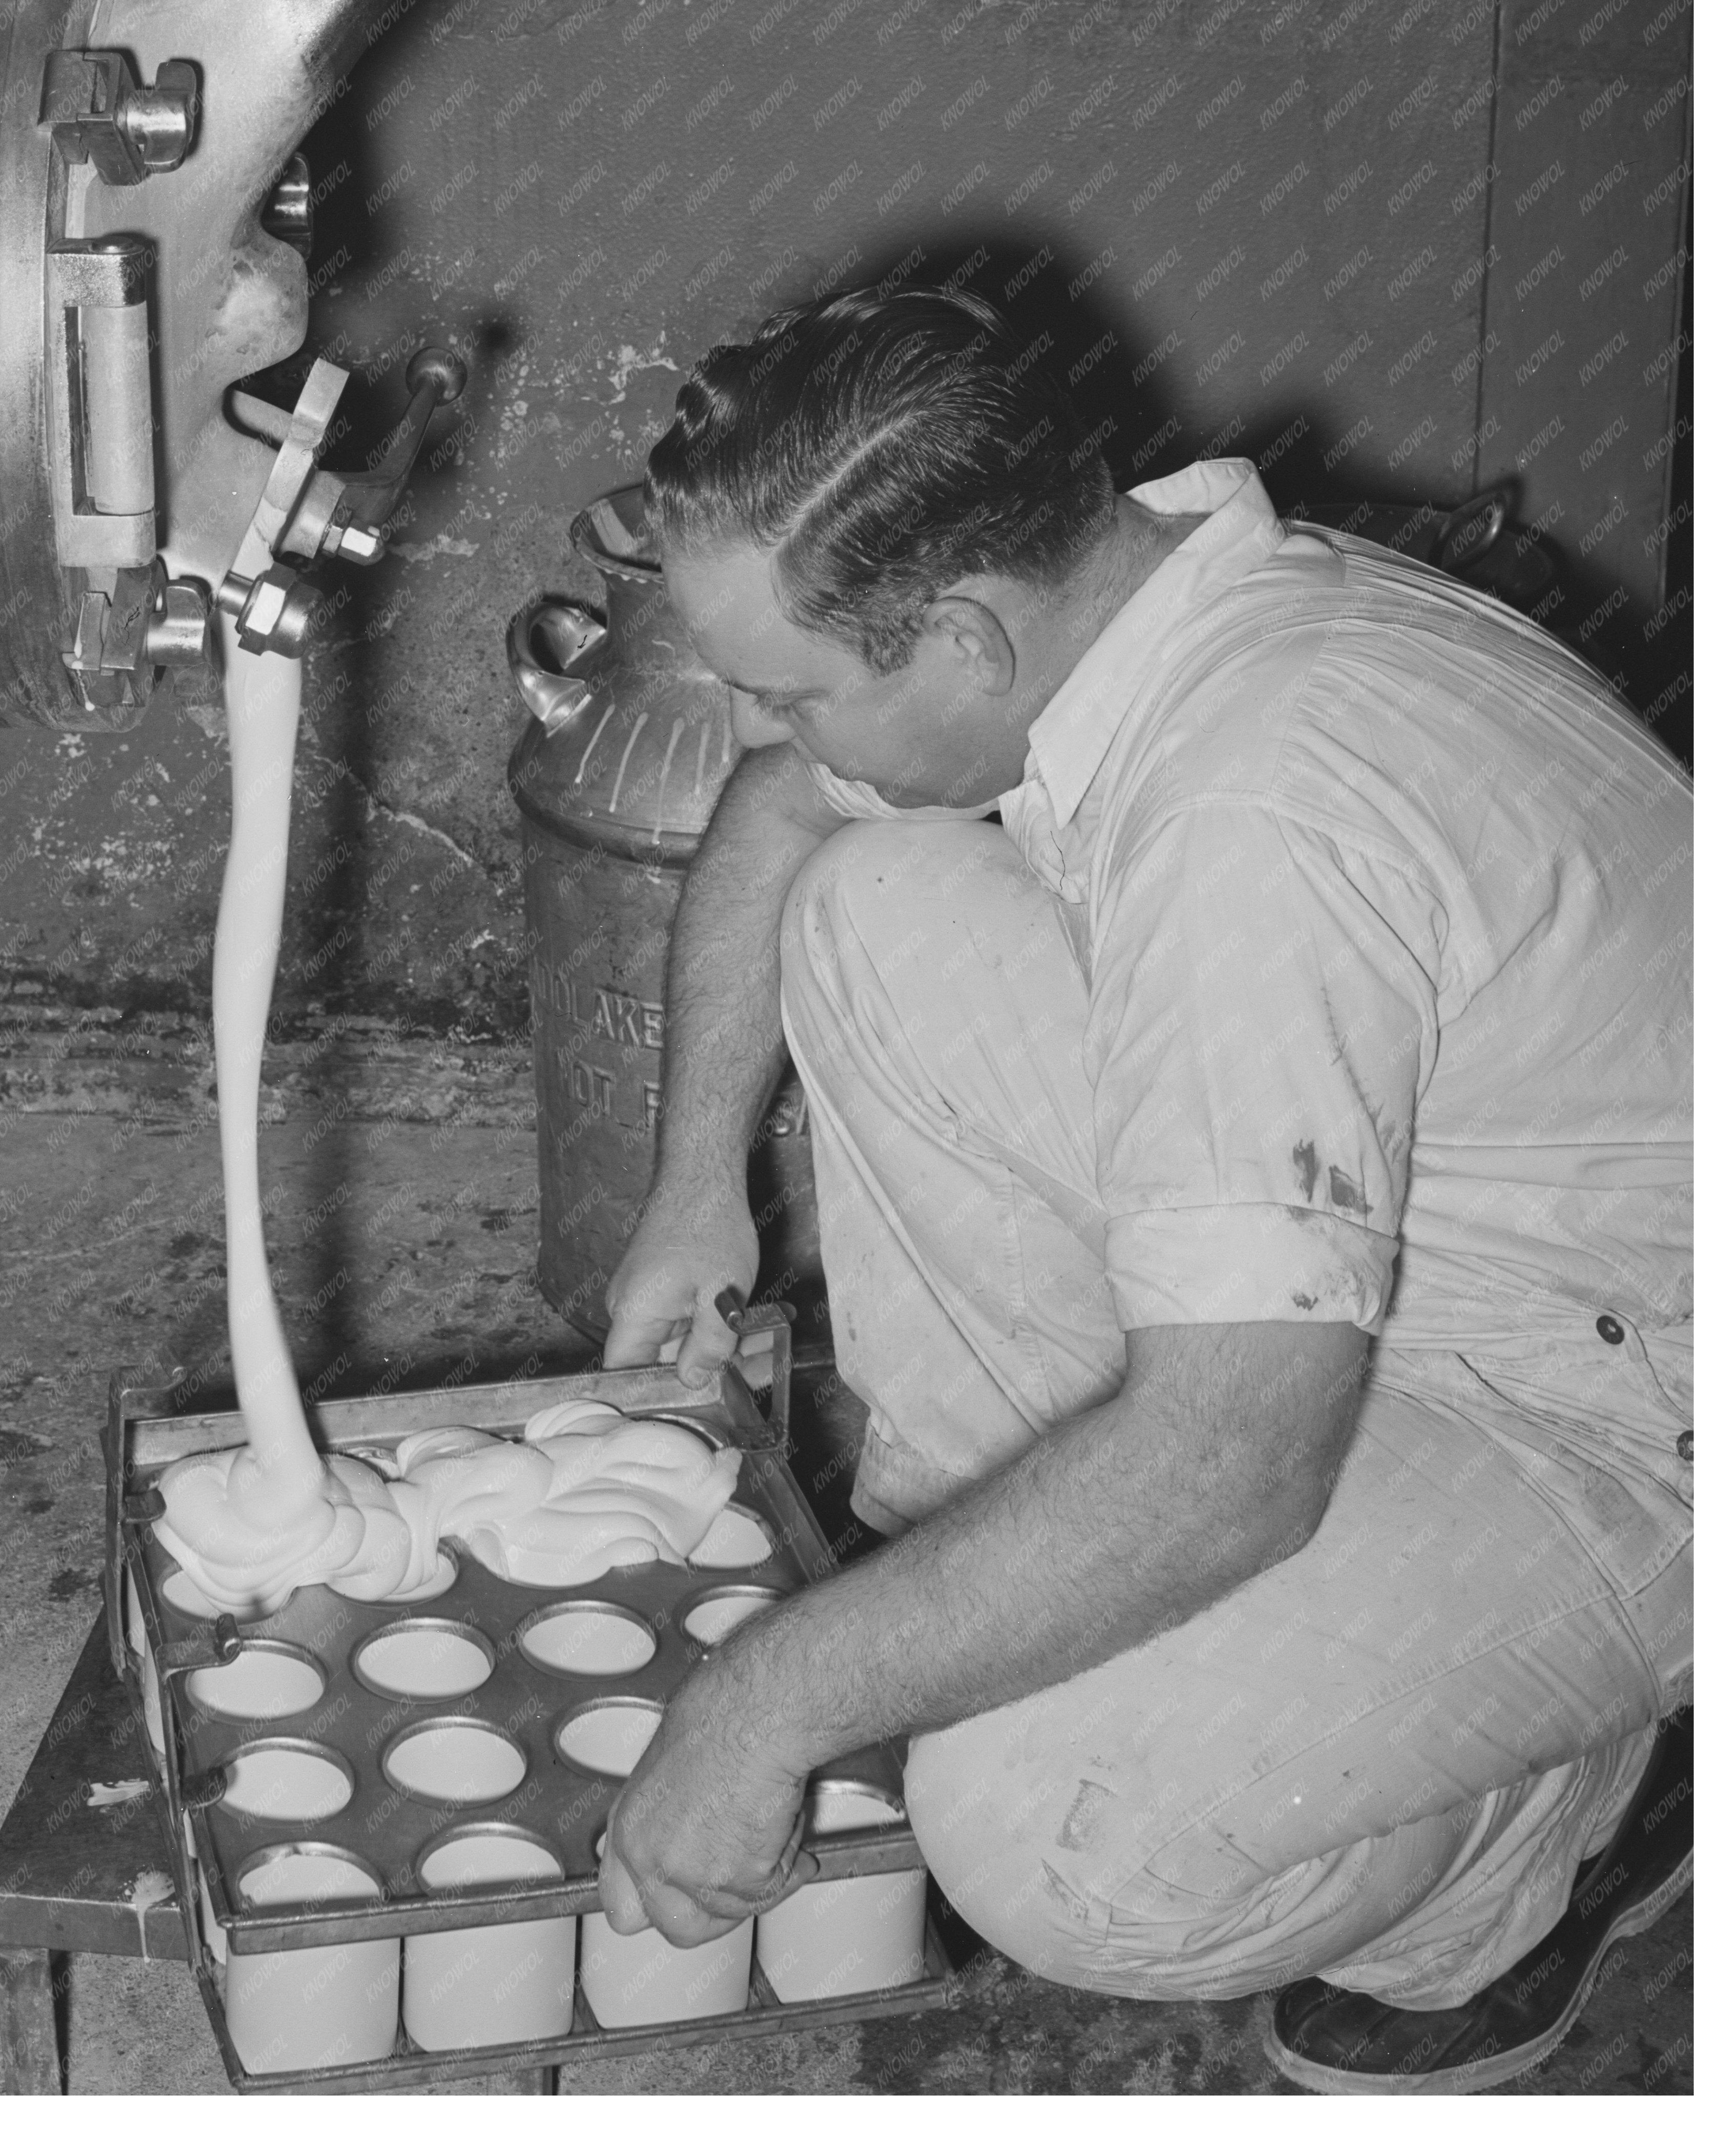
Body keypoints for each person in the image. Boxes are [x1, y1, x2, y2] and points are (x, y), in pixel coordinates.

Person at [596, 284, 1692, 2093]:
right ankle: (1007, 1608)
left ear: (960, 637)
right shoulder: (1155, 593)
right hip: (1440, 1233)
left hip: (1618, 1399)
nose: (763, 727)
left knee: (1049, 1844)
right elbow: (789, 814)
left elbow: (1232, 1466)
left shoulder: (1248, 814)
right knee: (876, 907)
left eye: (785, 684)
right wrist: (692, 1188)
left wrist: (761, 1704)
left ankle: (1547, 1829)